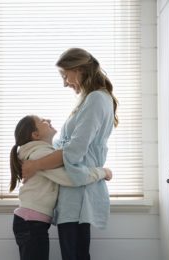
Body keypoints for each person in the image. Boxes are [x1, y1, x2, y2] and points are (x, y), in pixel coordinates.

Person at [22, 48, 119, 260]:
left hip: (78, 194)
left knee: (74, 255)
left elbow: (74, 152)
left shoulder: (95, 99)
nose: (65, 83)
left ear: (79, 70)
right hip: (73, 192)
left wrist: (35, 165)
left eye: (65, 75)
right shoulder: (90, 99)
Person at [10, 114, 113, 260]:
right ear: (35, 134)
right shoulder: (39, 155)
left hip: (31, 222)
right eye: (42, 121)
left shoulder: (42, 153)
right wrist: (102, 172)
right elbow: (71, 177)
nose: (49, 120)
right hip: (30, 224)